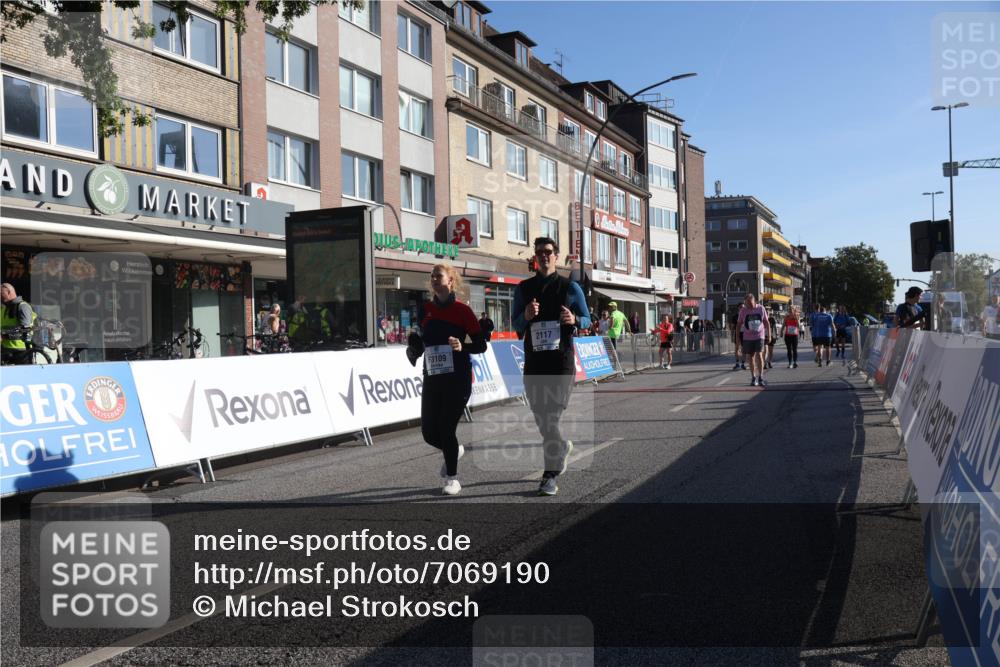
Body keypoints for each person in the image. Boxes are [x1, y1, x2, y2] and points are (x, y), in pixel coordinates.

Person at [512, 237, 591, 497]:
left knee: (550, 417)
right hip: (534, 362)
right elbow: (516, 327)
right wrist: (525, 317)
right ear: (535, 257)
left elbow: (587, 319)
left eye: (548, 252)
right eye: (539, 253)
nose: (544, 256)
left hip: (561, 362)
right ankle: (560, 447)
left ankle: (550, 475)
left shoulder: (570, 287)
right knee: (541, 418)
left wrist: (575, 318)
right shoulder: (523, 289)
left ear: (557, 256)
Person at [406, 264, 486, 496]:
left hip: (458, 377)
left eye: (438, 276)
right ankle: (454, 450)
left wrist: (463, 346)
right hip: (432, 376)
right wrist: (415, 346)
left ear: (450, 281)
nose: (433, 279)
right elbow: (424, 341)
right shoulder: (425, 309)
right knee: (429, 433)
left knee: (446, 428)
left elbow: (481, 345)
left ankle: (452, 479)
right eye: (431, 276)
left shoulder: (463, 311)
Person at [737, 293, 769, 387]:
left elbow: (766, 322)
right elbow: (739, 325)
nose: (748, 305)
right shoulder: (743, 310)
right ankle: (753, 377)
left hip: (759, 335)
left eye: (749, 303)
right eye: (746, 303)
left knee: (759, 355)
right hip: (747, 337)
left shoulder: (761, 308)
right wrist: (737, 338)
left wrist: (769, 335)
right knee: (750, 357)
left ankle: (761, 377)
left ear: (754, 301)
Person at [1, 283, 36, 365]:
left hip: (21, 351)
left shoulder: (22, 306)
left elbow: (26, 331)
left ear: (9, 292)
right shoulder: (4, 308)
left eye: (1, 294)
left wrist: (4, 336)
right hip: (6, 350)